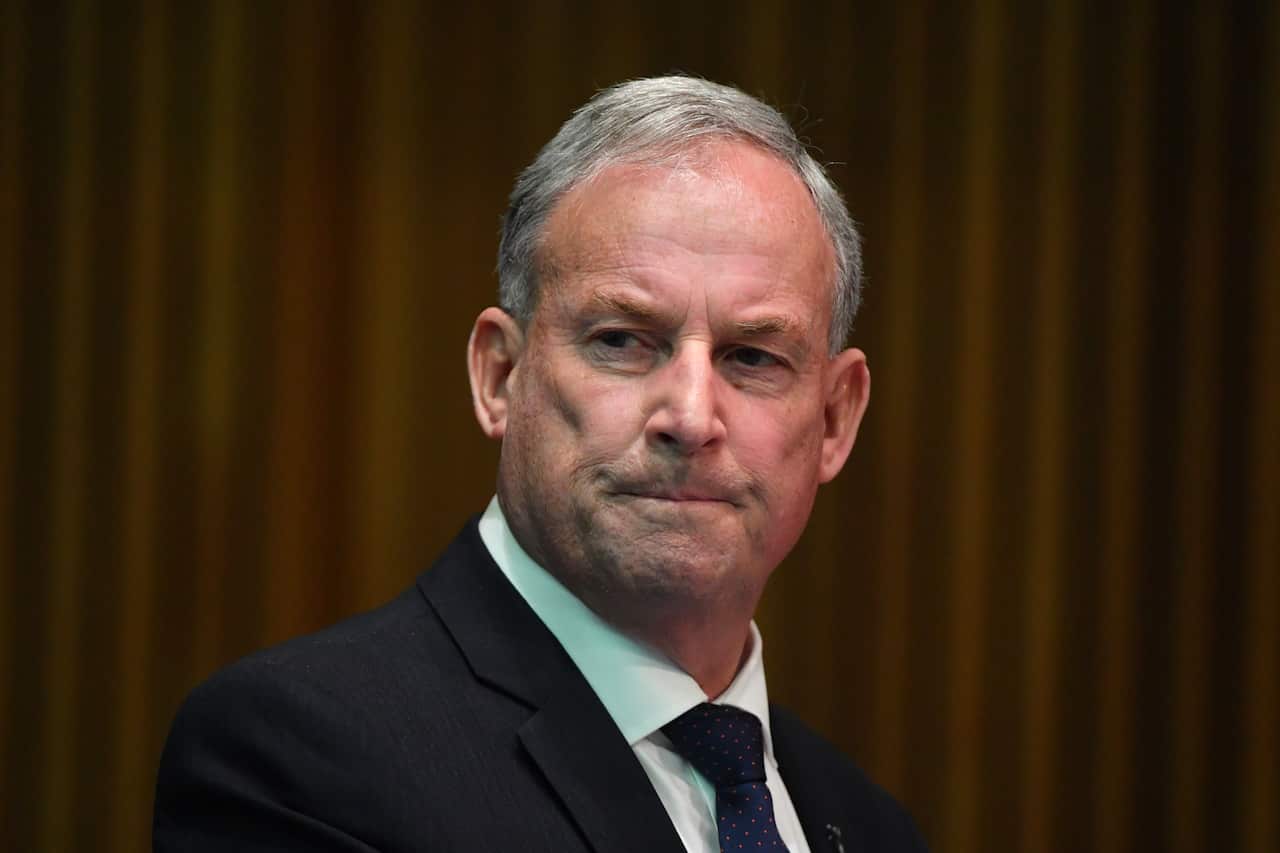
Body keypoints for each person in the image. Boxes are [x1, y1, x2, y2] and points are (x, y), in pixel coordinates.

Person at [154, 75, 927, 853]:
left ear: (834, 419)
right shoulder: (297, 761)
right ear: (500, 375)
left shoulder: (875, 828)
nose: (692, 418)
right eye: (622, 341)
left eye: (752, 357)